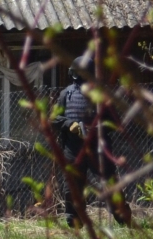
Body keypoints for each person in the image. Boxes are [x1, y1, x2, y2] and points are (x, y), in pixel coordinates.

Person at [56, 56, 132, 227]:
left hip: (99, 147)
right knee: (73, 185)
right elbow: (53, 119)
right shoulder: (66, 94)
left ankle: (122, 216)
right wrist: (70, 124)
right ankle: (74, 219)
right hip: (74, 148)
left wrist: (96, 128)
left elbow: (115, 123)